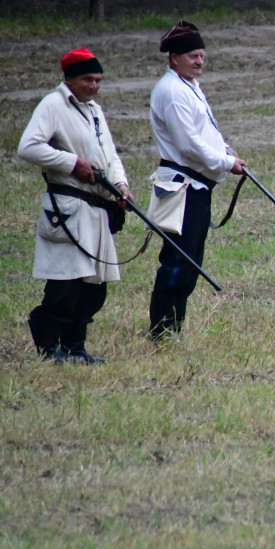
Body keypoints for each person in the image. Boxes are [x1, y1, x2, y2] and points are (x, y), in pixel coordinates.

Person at [17, 47, 133, 363]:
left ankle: (75, 346)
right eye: (87, 79)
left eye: (97, 80)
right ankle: (48, 344)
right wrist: (71, 163)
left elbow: (110, 154)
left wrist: (120, 185)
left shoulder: (94, 109)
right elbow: (28, 147)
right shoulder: (52, 105)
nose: (94, 86)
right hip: (68, 206)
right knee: (65, 287)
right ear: (68, 78)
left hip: (97, 208)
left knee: (94, 288)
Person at [148, 21, 245, 340]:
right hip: (182, 187)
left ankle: (173, 327)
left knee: (189, 263)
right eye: (193, 55)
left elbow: (203, 131)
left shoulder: (188, 85)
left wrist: (223, 146)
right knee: (178, 262)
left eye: (202, 55)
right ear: (174, 58)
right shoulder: (173, 91)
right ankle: (162, 331)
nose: (200, 61)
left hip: (197, 186)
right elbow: (188, 144)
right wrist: (226, 162)